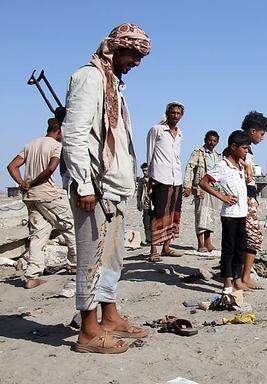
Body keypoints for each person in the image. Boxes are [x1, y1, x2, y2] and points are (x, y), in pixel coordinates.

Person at [62, 23, 151, 354]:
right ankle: (88, 331)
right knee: (91, 259)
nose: (137, 63)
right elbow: (74, 135)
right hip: (93, 190)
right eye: (134, 55)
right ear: (117, 48)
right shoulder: (89, 78)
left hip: (113, 191)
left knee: (113, 258)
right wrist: (84, 184)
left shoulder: (114, 85)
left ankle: (109, 317)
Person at [6, 119, 76, 289]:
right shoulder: (55, 146)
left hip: (31, 197)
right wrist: (32, 183)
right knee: (70, 225)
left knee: (38, 235)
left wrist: (23, 182)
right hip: (48, 194)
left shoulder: (31, 144)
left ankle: (32, 275)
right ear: (59, 132)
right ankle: (75, 264)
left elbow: (12, 166)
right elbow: (51, 169)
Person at [198, 130, 251, 292]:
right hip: (229, 215)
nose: (246, 151)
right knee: (228, 249)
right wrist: (222, 197)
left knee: (239, 249)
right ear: (233, 147)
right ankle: (227, 280)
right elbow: (203, 182)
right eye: (244, 148)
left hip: (242, 213)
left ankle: (237, 279)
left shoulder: (240, 165)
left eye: (247, 148)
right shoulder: (222, 166)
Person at [146, 102, 185, 262]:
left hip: (176, 178)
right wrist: (150, 178)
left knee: (174, 214)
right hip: (161, 177)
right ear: (167, 113)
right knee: (159, 213)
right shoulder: (157, 130)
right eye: (173, 113)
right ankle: (153, 249)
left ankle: (166, 247)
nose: (175, 116)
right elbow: (149, 154)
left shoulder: (180, 134)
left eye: (178, 113)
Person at [239, 111, 267, 290]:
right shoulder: (241, 147)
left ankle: (241, 275)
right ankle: (244, 277)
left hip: (247, 196)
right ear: (252, 131)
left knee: (245, 236)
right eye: (261, 133)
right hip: (244, 197)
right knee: (252, 236)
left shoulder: (245, 148)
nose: (262, 137)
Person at [184, 130, 221, 252]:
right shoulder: (198, 153)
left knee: (210, 216)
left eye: (214, 141)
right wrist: (187, 186)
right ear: (205, 140)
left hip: (214, 190)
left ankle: (208, 243)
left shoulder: (218, 155)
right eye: (210, 140)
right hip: (201, 189)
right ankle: (200, 244)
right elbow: (189, 168)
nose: (212, 142)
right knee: (201, 216)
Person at [136, 163, 152, 245]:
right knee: (146, 223)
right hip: (145, 205)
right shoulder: (141, 181)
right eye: (143, 171)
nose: (145, 172)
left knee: (155, 223)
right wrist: (139, 203)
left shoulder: (154, 180)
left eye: (146, 170)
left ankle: (156, 240)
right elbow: (139, 193)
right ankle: (148, 240)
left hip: (154, 205)